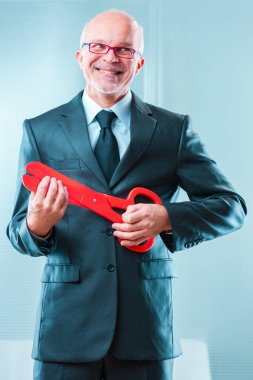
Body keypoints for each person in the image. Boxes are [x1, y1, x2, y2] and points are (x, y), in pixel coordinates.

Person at [7, 9, 246, 380]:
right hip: (65, 333)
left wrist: (166, 217)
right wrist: (38, 225)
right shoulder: (41, 130)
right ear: (80, 55)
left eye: (124, 50)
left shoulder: (173, 130)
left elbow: (232, 208)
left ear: (139, 63)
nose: (110, 58)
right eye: (98, 46)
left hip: (145, 333)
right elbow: (18, 232)